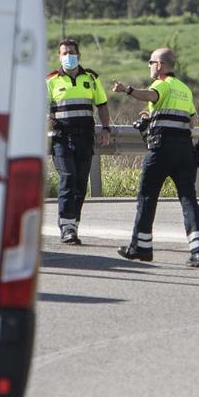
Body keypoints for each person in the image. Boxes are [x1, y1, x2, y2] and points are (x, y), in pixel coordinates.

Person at [111, 48, 199, 268]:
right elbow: (192, 122)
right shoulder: (185, 89)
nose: (149, 66)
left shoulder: (161, 84)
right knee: (188, 199)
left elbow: (150, 95)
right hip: (184, 150)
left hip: (161, 149)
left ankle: (141, 248)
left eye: (151, 62)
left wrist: (127, 89)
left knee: (147, 196)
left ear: (161, 65)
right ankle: (198, 250)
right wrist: (154, 115)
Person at [46, 39, 111, 245]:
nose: (68, 56)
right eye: (64, 53)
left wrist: (106, 128)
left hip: (85, 137)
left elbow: (102, 104)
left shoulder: (91, 78)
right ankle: (66, 227)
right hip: (62, 138)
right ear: (59, 57)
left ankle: (73, 223)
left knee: (81, 183)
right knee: (68, 178)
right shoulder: (51, 80)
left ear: (79, 55)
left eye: (71, 52)